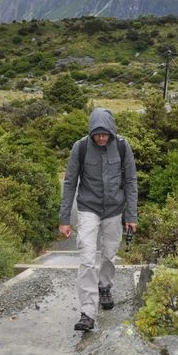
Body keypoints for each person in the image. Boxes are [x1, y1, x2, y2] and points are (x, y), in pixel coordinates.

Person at [59, 108, 138, 331]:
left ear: (111, 131)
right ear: (91, 132)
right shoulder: (80, 147)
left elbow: (131, 181)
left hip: (114, 209)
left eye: (105, 134)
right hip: (88, 208)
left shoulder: (122, 146)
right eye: (97, 134)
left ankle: (104, 287)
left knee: (109, 254)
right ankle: (87, 312)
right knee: (86, 257)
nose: (101, 138)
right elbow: (70, 183)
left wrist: (131, 215)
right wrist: (64, 219)